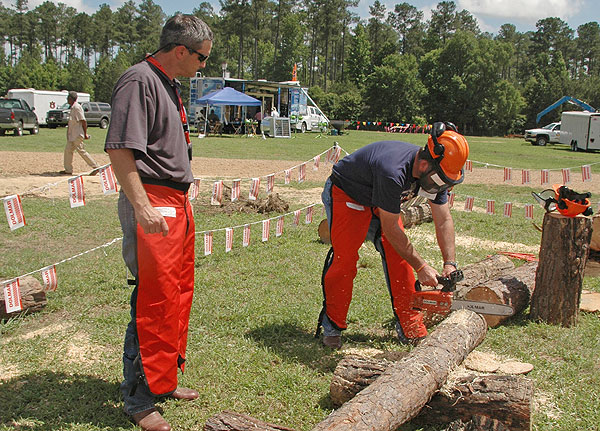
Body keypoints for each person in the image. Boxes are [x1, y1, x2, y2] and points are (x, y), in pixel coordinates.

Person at [104, 14, 213, 431]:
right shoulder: (138, 80)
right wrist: (144, 207)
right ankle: (139, 399)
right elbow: (119, 150)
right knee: (154, 296)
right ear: (181, 51)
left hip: (175, 201)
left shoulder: (168, 83)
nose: (203, 66)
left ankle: (162, 380)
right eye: (201, 58)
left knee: (177, 293)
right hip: (153, 201)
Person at [316, 122, 469, 349]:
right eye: (440, 181)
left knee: (401, 261)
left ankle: (411, 327)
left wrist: (450, 263)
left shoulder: (437, 173)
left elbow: (444, 219)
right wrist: (422, 266)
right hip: (350, 194)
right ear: (425, 163)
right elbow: (391, 228)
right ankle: (332, 327)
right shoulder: (393, 171)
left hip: (383, 201)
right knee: (345, 260)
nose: (441, 187)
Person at [60, 91, 100, 175]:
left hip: (77, 135)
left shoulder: (77, 107)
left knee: (81, 151)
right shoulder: (73, 107)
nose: (67, 99)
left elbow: (83, 121)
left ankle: (96, 167)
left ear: (71, 99)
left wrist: (85, 133)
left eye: (68, 98)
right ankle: (68, 170)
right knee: (68, 151)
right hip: (72, 135)